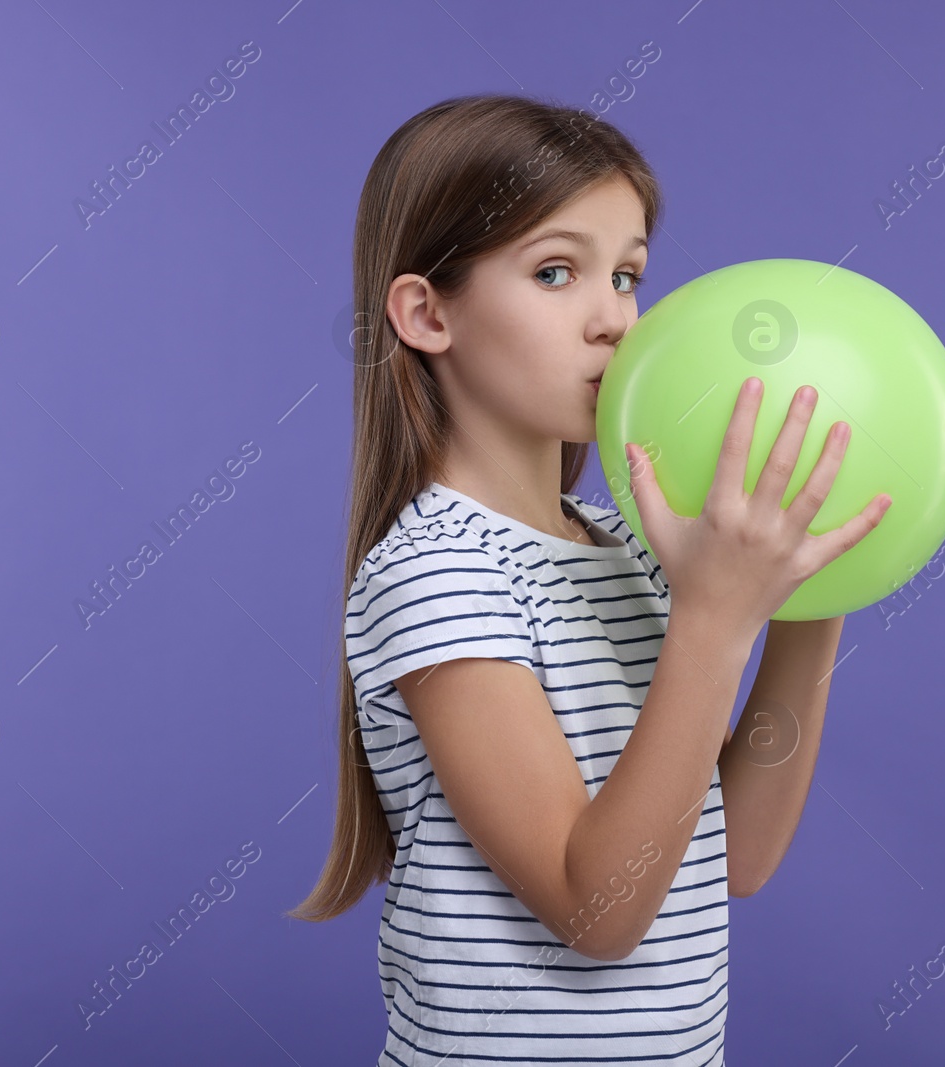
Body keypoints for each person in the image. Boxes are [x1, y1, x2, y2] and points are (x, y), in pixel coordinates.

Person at [289, 92, 890, 1066]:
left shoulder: (628, 549)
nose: (614, 317)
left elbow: (732, 854)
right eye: (556, 270)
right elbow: (596, 908)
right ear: (427, 311)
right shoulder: (438, 573)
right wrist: (712, 619)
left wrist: (810, 592)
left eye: (627, 273)